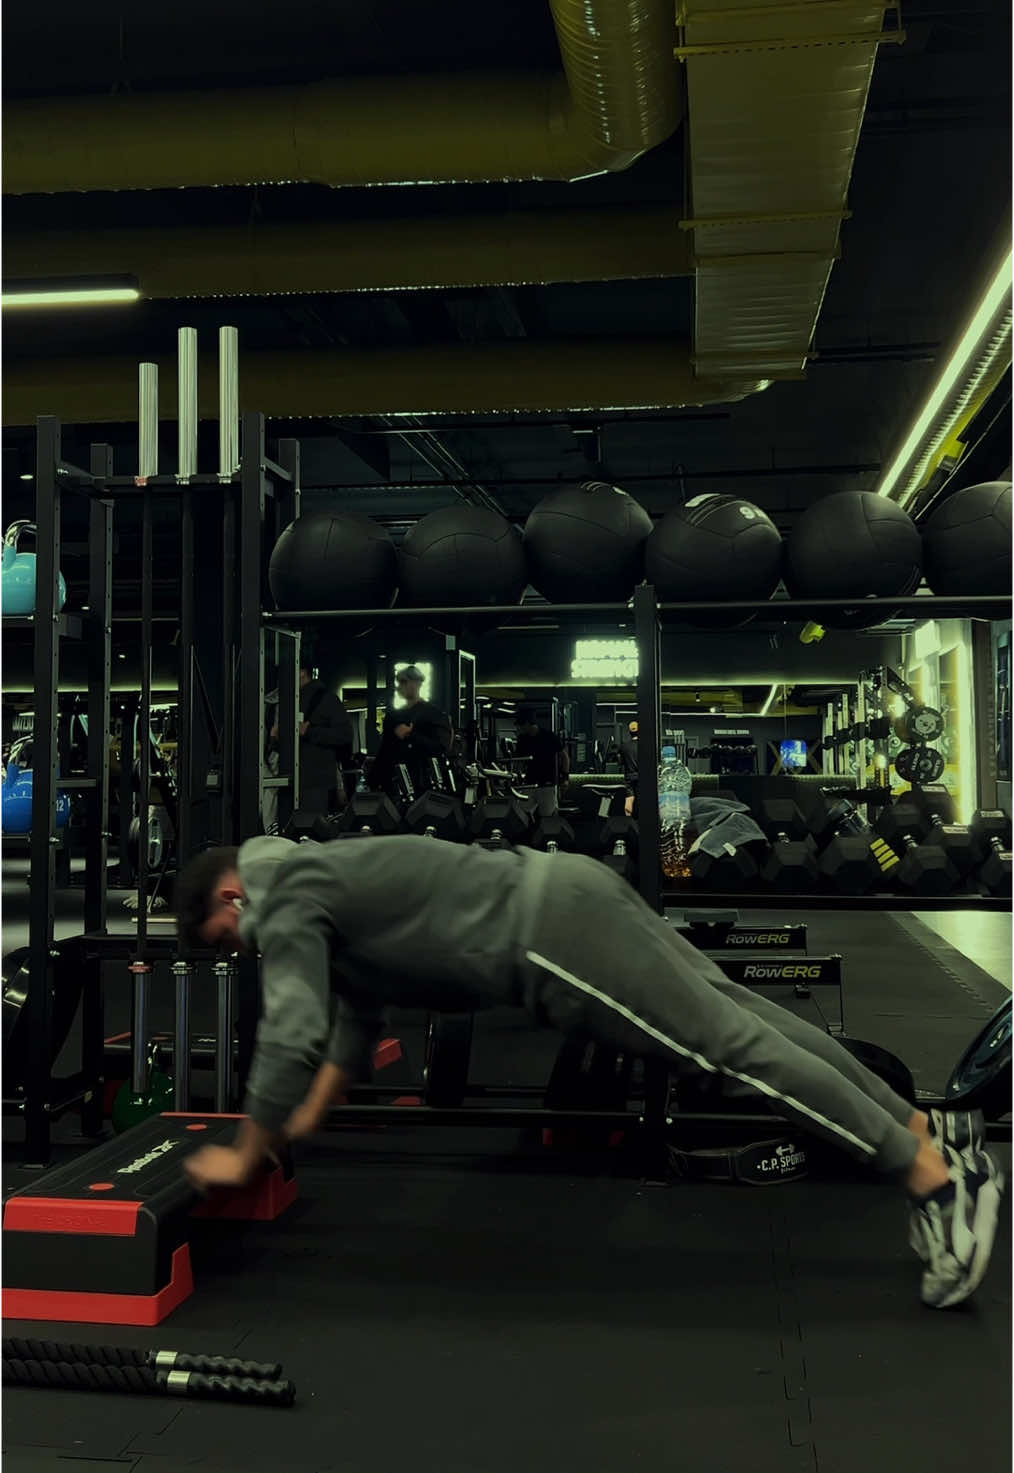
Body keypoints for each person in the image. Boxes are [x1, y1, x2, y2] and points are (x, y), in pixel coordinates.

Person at [176, 834, 1003, 1310]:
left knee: (730, 1051)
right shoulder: (316, 874)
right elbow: (353, 1017)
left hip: (550, 935)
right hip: (569, 889)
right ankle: (922, 1128)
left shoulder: (285, 895)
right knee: (745, 1020)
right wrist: (307, 1113)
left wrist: (246, 1152)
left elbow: (290, 1029)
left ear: (232, 895)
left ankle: (934, 1185)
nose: (240, 950)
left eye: (224, 938)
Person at [270, 665, 353, 817]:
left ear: (302, 672)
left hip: (315, 784)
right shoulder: (287, 701)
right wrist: (276, 739)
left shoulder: (326, 699)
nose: (282, 679)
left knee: (310, 825)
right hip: (292, 781)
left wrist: (309, 732)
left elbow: (345, 734)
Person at [369, 665, 452, 801]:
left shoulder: (433, 714)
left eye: (404, 682)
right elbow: (385, 751)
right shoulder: (393, 717)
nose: (400, 687)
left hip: (423, 783)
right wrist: (372, 782)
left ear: (417, 683)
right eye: (399, 682)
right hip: (394, 784)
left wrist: (411, 736)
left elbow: (441, 747)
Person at [514, 710, 570, 818]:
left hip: (547, 784)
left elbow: (565, 757)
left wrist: (565, 778)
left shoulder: (549, 736)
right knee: (521, 815)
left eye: (521, 725)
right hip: (530, 783)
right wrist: (517, 776)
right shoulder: (522, 739)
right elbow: (519, 761)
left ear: (527, 723)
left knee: (547, 817)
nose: (519, 728)